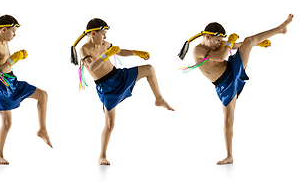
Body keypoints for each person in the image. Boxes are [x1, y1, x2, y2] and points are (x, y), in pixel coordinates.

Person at [180, 14, 293, 165]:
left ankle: (280, 29)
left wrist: (255, 44)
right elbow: (220, 57)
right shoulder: (197, 50)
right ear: (207, 37)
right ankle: (229, 156)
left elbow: (236, 46)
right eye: (217, 40)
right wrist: (229, 43)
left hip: (233, 69)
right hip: (223, 85)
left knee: (249, 40)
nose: (218, 43)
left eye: (221, 41)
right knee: (228, 121)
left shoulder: (220, 45)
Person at [71, 18, 174, 165]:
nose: (105, 37)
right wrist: (106, 55)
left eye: (106, 34)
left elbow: (119, 51)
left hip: (119, 75)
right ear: (93, 34)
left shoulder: (104, 44)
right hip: (106, 87)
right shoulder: (84, 50)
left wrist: (135, 53)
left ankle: (159, 99)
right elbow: (92, 66)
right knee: (110, 124)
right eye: (103, 34)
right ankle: (102, 155)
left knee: (149, 69)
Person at [0, 15, 53, 165]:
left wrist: (15, 58)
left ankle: (42, 129)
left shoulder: (5, 42)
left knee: (43, 95)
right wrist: (15, 58)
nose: (15, 34)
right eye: (13, 31)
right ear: (4, 29)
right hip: (0, 86)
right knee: (7, 123)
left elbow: (7, 68)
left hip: (12, 81)